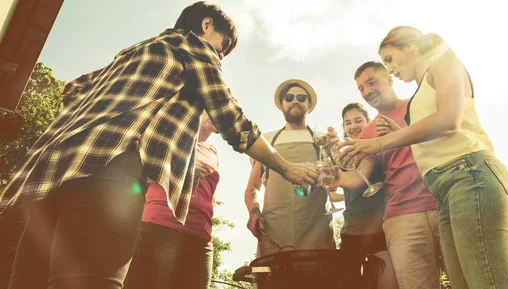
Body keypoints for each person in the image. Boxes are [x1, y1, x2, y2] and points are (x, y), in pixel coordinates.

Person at [0, 2, 316, 289]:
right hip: (109, 176)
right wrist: (287, 167)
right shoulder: (192, 46)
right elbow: (233, 121)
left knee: (28, 281)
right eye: (223, 47)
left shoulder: (136, 51)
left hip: (53, 177)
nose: (220, 56)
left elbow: (75, 88)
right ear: (207, 26)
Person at [338, 26, 508, 289]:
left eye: (389, 60)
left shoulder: (444, 59)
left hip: (470, 176)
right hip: (444, 189)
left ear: (409, 47)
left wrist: (380, 142)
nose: (389, 69)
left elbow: (449, 121)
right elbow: (430, 142)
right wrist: (397, 134)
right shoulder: (420, 92)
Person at [332, 62, 443, 289]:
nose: (367, 91)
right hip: (401, 216)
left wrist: (398, 134)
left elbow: (445, 142)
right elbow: (360, 176)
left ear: (390, 80)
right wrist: (338, 179)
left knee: (468, 280)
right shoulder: (368, 133)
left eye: (371, 82)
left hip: (443, 202)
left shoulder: (419, 105)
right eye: (361, 88)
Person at [124, 111, 219, 289]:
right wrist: (182, 171)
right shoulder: (168, 136)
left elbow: (210, 194)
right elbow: (139, 172)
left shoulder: (213, 152)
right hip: (161, 227)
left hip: (201, 236)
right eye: (215, 106)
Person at [244, 79, 336, 257]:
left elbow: (336, 182)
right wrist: (254, 211)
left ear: (308, 105)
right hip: (274, 230)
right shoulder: (266, 140)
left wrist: (336, 152)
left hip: (317, 231)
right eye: (289, 97)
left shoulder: (323, 139)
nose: (295, 101)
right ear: (281, 105)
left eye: (301, 98)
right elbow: (253, 187)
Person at [334, 102, 398, 289]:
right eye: (347, 123)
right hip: (351, 231)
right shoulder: (343, 156)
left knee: (388, 284)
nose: (353, 126)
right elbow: (349, 193)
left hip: (380, 230)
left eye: (358, 120)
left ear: (368, 122)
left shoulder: (378, 147)